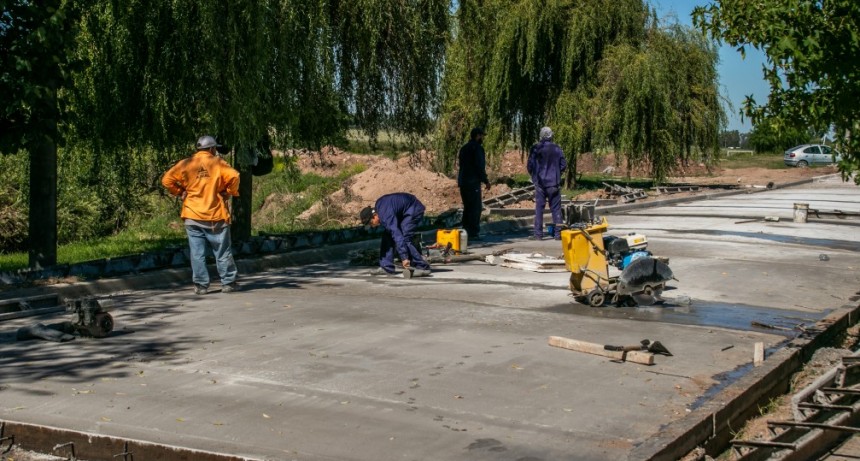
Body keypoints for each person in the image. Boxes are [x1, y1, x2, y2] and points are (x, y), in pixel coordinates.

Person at [162, 135, 240, 294]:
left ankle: (201, 286)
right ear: (212, 149)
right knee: (222, 251)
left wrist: (179, 191)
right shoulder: (218, 163)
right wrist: (229, 192)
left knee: (197, 253)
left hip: (192, 215)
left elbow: (166, 180)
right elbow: (235, 176)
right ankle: (228, 283)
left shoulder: (186, 163)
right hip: (214, 216)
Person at [360, 193, 431, 277]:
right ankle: (387, 267)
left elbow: (397, 236)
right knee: (387, 236)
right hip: (404, 211)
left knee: (405, 236)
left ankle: (423, 267)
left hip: (414, 209)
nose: (372, 226)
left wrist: (404, 257)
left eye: (371, 223)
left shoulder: (385, 216)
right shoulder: (380, 209)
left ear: (375, 216)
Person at [527, 126, 567, 240]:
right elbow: (563, 165)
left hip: (540, 183)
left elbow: (530, 165)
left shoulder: (535, 148)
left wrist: (534, 176)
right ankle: (558, 234)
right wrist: (557, 174)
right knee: (556, 208)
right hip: (553, 183)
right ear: (551, 135)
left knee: (539, 209)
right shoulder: (557, 148)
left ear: (541, 135)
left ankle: (538, 234)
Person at [457, 127, 491, 241]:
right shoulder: (477, 148)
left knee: (467, 207)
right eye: (482, 136)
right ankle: (473, 232)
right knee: (475, 208)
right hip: (473, 182)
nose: (483, 138)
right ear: (477, 136)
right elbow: (479, 167)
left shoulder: (464, 148)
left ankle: (465, 231)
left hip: (463, 181)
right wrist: (485, 180)